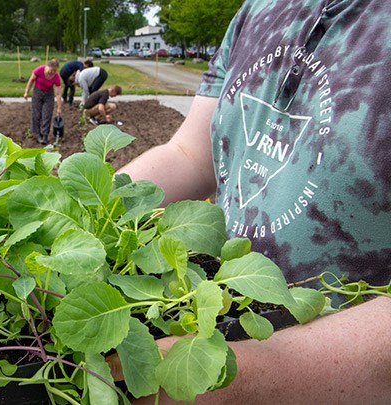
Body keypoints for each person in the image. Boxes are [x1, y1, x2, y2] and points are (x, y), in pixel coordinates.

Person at [108, 0, 391, 403]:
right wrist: (79, 214)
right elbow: (189, 154)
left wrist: (241, 381)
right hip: (213, 315)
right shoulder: (260, 8)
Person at [23, 58, 63, 144]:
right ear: (47, 66)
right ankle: (36, 133)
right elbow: (31, 80)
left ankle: (44, 135)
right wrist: (27, 92)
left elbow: (58, 94)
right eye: (51, 70)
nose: (53, 72)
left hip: (49, 94)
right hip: (37, 92)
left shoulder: (56, 77)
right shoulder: (39, 70)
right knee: (36, 114)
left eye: (55, 71)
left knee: (47, 114)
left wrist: (59, 107)